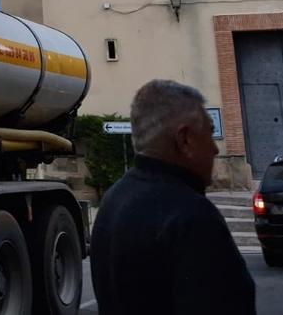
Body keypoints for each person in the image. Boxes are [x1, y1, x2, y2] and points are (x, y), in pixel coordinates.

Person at [90, 79, 255, 315]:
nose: (216, 149)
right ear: (184, 139)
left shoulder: (114, 198)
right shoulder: (192, 216)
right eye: (209, 133)